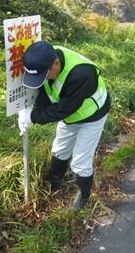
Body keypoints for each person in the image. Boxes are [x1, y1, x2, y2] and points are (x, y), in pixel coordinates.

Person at [18, 41, 111, 212]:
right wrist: (35, 112)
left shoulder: (81, 73)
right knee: (60, 148)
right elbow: (45, 90)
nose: (44, 78)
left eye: (45, 74)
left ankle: (83, 197)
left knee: (80, 161)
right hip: (71, 114)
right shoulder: (47, 60)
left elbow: (64, 109)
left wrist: (34, 117)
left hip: (92, 115)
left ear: (56, 63)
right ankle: (54, 183)